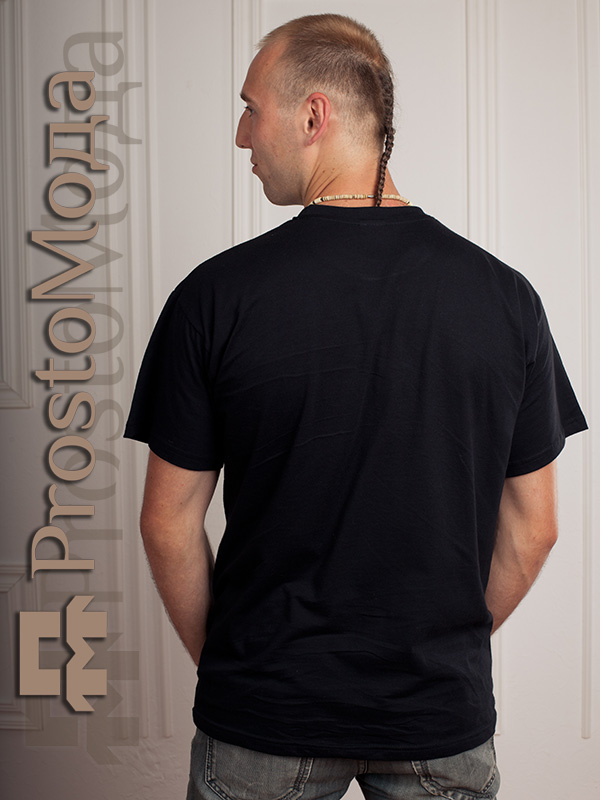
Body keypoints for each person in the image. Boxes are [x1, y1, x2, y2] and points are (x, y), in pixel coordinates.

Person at [124, 13, 588, 800]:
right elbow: (535, 527)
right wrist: (436, 652)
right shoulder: (507, 300)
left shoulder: (216, 297)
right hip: (438, 715)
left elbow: (168, 522)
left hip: (264, 714)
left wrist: (243, 671)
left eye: (251, 109)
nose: (241, 136)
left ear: (313, 116)